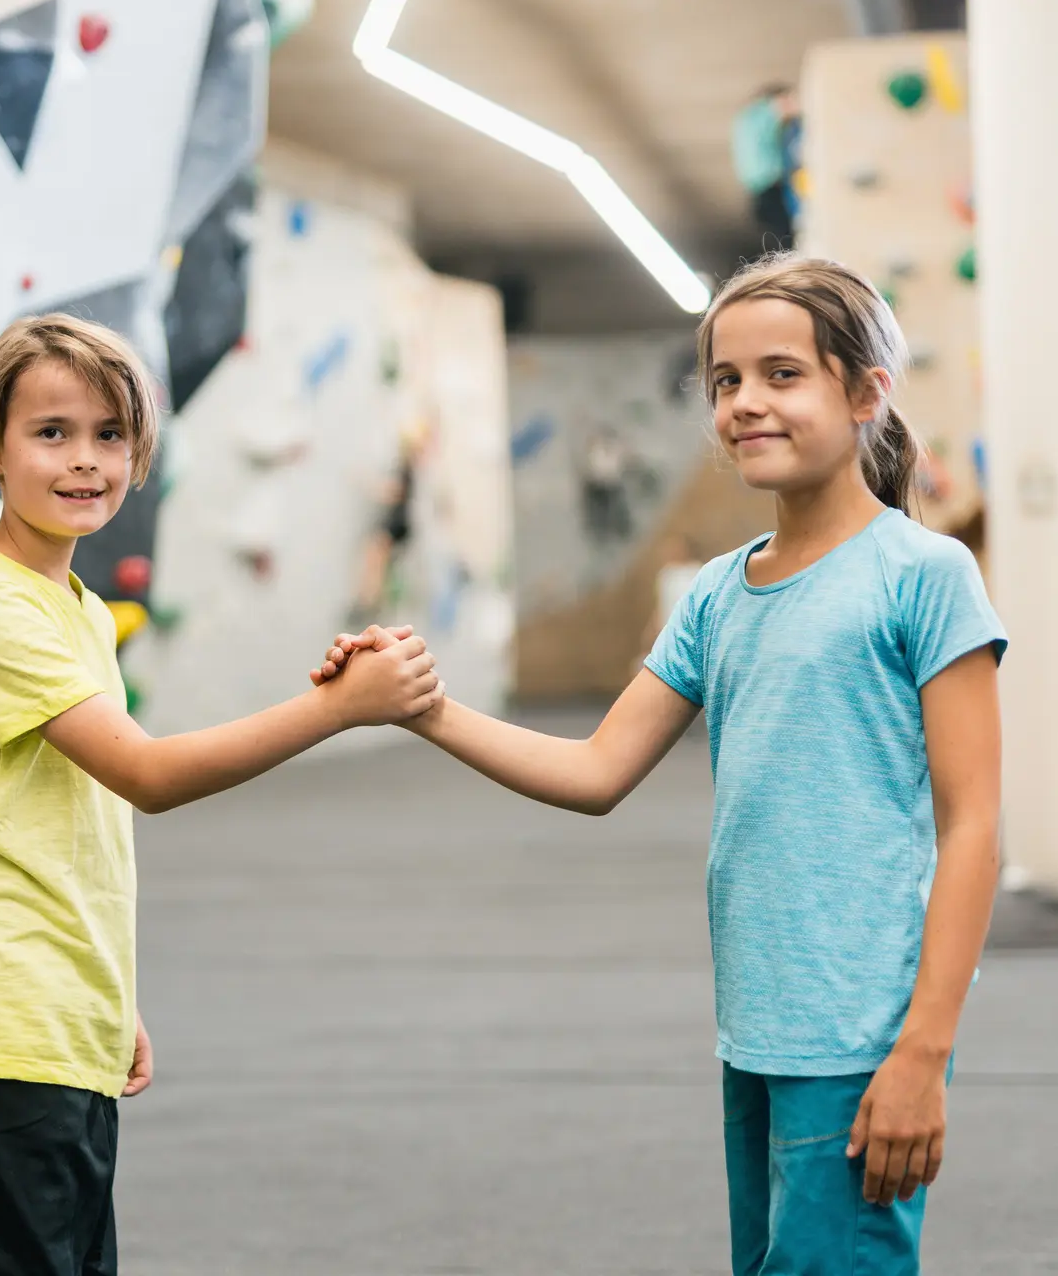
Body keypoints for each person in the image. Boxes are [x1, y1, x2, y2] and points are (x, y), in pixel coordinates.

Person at [317, 254, 1005, 1274]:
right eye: (726, 381)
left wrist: (923, 1052)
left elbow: (975, 825)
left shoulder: (924, 575)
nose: (745, 403)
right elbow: (597, 770)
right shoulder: (718, 595)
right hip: (756, 1032)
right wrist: (422, 708)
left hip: (859, 1039)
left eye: (782, 374)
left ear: (867, 392)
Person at [0, 313, 442, 1275]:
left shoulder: (80, 611)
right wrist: (338, 710)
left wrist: (105, 989)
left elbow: (69, 819)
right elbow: (144, 774)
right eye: (50, 432)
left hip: (56, 1011)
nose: (85, 461)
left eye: (109, 435)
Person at [733, 84, 801, 249]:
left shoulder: (745, 120)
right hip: (770, 188)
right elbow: (787, 110)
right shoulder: (763, 113)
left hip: (759, 194)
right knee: (788, 241)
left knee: (783, 242)